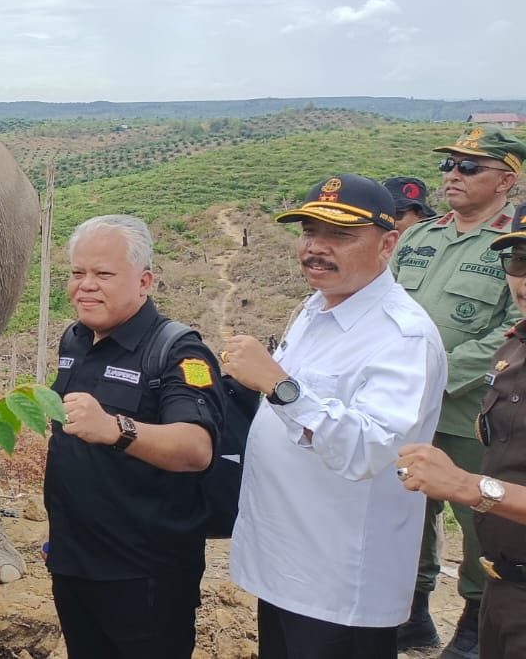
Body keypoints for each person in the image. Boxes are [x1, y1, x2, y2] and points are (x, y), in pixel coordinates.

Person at [225, 174, 446, 659]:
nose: (316, 248)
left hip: (339, 582)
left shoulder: (402, 337)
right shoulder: (317, 306)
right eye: (308, 232)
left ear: (388, 243)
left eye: (340, 236)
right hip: (287, 563)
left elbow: (371, 449)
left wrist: (280, 388)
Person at [42, 215, 221, 659]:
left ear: (144, 282)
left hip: (144, 576)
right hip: (73, 563)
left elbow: (197, 448)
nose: (85, 286)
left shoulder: (178, 351)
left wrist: (116, 429)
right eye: (77, 273)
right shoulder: (75, 340)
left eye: (103, 274)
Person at [390, 126, 526, 658]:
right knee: (410, 505)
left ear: (505, 180)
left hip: (474, 407)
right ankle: (415, 609)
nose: (452, 175)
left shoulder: (512, 243)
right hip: (404, 402)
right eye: (449, 165)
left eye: (469, 167)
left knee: (480, 511)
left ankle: (473, 621)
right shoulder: (420, 237)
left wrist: (438, 371)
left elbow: (513, 325)